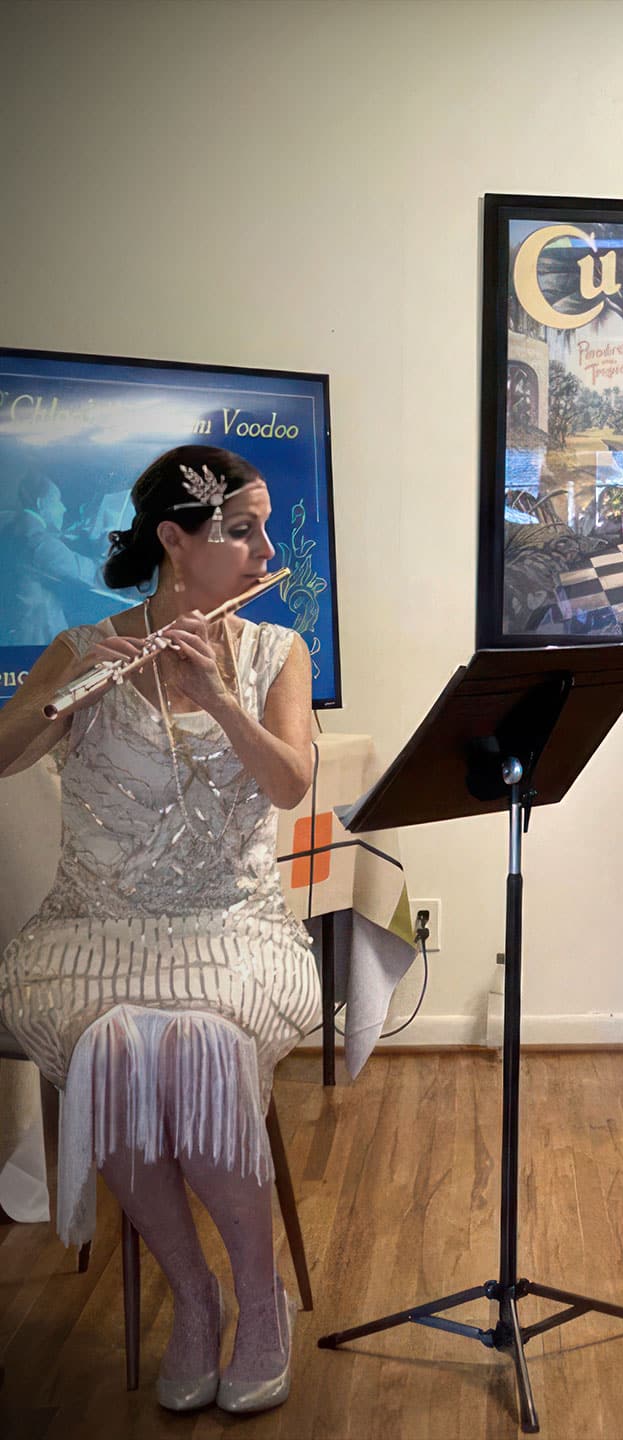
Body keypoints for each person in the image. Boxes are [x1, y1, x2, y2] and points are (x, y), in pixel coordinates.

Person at [0, 445, 319, 1414]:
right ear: (176, 543)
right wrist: (72, 689)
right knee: (114, 1043)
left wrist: (221, 696)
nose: (267, 550)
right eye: (243, 530)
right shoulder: (83, 646)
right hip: (94, 927)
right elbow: (4, 757)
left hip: (232, 927)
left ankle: (260, 1302)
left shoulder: (276, 652)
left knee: (201, 1041)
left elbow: (290, 787)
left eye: (266, 528)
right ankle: (195, 1294)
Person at [0, 472, 100, 645]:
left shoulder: (11, 526)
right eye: (57, 501)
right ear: (41, 504)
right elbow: (88, 573)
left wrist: (64, 535)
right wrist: (104, 547)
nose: (63, 508)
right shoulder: (36, 541)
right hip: (35, 640)